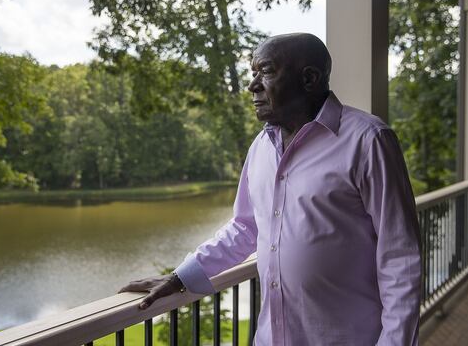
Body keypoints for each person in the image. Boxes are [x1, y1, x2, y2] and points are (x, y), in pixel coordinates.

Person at [119, 33, 422, 345]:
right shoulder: (261, 147)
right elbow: (245, 227)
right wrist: (181, 277)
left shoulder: (368, 140)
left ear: (309, 78)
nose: (252, 86)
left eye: (265, 72)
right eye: (253, 74)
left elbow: (400, 256)